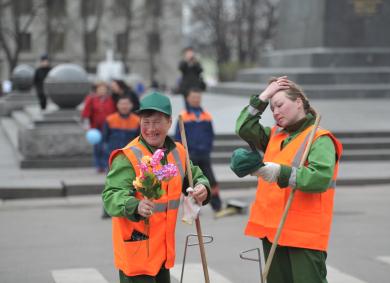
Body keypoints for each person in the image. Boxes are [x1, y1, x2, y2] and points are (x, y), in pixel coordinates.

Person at [234, 76, 343, 283]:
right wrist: (264, 96)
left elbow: (319, 178)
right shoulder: (275, 135)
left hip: (303, 236)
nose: (275, 112)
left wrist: (278, 173)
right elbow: (243, 127)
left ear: (299, 102)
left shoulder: (320, 139)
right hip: (272, 233)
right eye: (272, 108)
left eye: (280, 105)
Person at [102, 92, 211, 283]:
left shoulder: (178, 151)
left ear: (169, 123)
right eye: (146, 122)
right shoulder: (128, 156)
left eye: (157, 122)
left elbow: (195, 176)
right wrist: (134, 205)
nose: (151, 129)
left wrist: (203, 187)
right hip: (137, 252)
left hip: (163, 252)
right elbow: (111, 196)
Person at [174, 88, 223, 215]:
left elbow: (210, 134)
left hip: (204, 153)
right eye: (193, 97)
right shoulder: (182, 116)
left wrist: (207, 147)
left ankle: (217, 206)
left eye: (198, 97)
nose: (196, 99)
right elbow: (178, 137)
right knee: (190, 182)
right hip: (190, 154)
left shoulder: (206, 116)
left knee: (211, 180)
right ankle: (192, 207)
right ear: (188, 99)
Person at [81, 81, 116, 173]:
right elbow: (86, 113)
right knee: (98, 147)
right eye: (100, 89)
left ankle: (106, 165)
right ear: (96, 90)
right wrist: (86, 125)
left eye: (104, 89)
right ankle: (99, 165)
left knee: (107, 147)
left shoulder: (110, 100)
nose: (102, 91)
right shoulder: (92, 99)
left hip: (108, 127)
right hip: (96, 128)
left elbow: (113, 112)